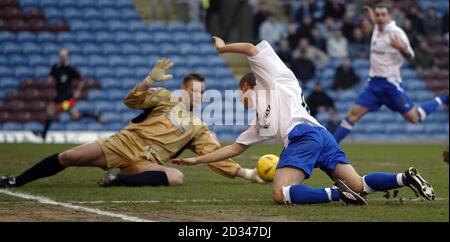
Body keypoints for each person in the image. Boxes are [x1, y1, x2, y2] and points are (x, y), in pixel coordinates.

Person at [171, 36, 436, 206]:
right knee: (360, 186)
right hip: (322, 137)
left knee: (281, 193)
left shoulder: (273, 80)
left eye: (240, 93)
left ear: (245, 87)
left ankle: (335, 193)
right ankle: (404, 178)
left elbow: (251, 49)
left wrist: (222, 48)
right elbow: (233, 149)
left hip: (303, 137)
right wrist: (195, 160)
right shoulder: (259, 122)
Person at [0, 59, 264, 188]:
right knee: (69, 156)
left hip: (145, 162)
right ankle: (16, 180)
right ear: (184, 88)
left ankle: (116, 179)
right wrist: (149, 80)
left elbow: (215, 155)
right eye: (196, 90)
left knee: (176, 177)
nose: (200, 95)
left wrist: (247, 173)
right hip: (123, 143)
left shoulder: (199, 127)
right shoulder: (166, 99)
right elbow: (132, 100)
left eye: (203, 92)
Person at [332, 4, 448, 144]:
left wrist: (401, 48)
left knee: (415, 118)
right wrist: (371, 15)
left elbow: (411, 55)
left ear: (390, 16)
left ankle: (443, 98)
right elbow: (376, 21)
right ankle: (329, 148)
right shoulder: (376, 27)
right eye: (378, 15)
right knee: (352, 115)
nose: (380, 18)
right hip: (374, 85)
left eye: (383, 15)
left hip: (390, 85)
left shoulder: (396, 33)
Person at [36, 49, 101, 141]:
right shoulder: (55, 67)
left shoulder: (70, 69)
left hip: (68, 98)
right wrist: (48, 81)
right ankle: (94, 115)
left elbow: (82, 79)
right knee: (74, 115)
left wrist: (78, 90)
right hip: (59, 96)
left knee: (52, 111)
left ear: (67, 57)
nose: (62, 58)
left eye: (64, 56)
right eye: (61, 56)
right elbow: (50, 78)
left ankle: (43, 135)